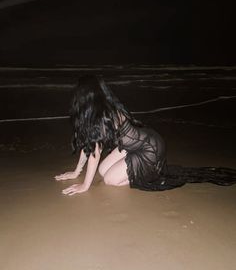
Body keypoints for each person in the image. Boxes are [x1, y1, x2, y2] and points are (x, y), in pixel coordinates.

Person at [55, 75, 236, 195]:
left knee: (109, 180)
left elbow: (94, 152)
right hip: (138, 144)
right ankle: (142, 166)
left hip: (150, 148)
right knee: (102, 171)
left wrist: (85, 186)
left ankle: (150, 170)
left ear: (85, 97)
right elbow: (90, 146)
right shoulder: (102, 109)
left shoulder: (103, 114)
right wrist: (76, 172)